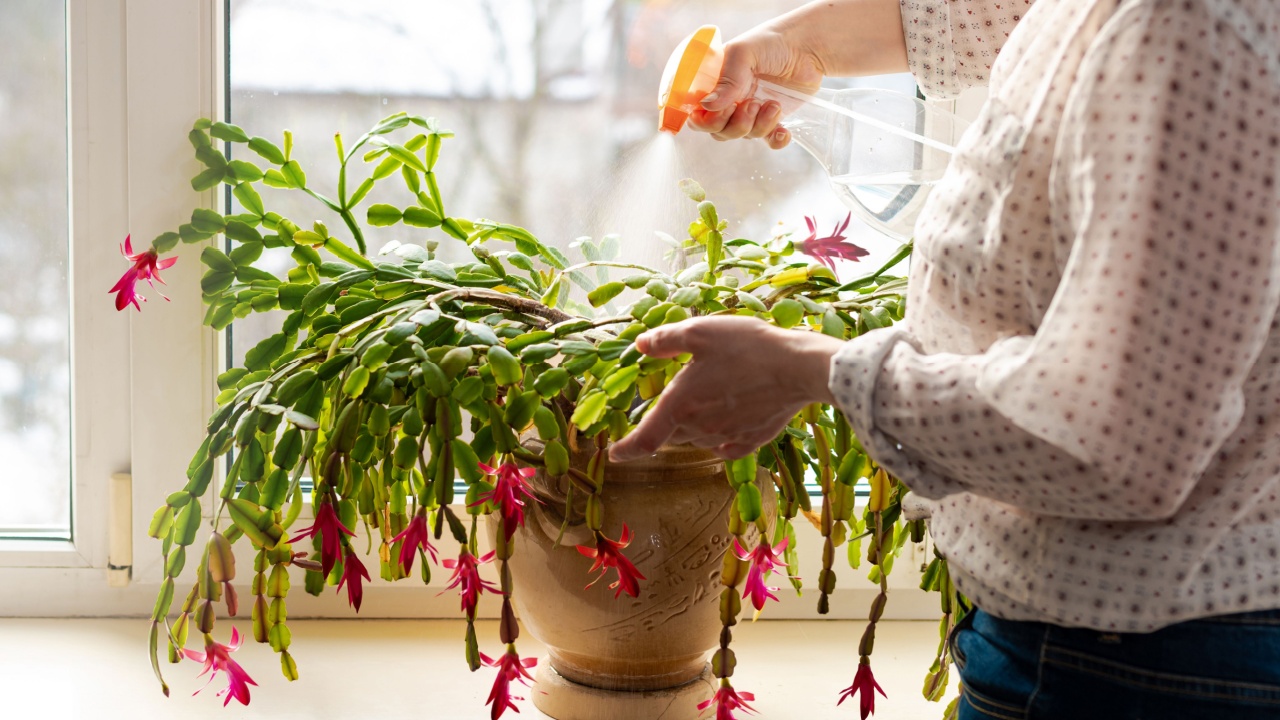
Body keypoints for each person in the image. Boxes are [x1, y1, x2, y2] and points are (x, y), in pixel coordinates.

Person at [608, 0, 1280, 717]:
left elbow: (1115, 442)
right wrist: (797, 46)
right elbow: (1008, 13)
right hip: (1091, 645)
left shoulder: (1188, 29)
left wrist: (813, 369)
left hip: (1144, 668)